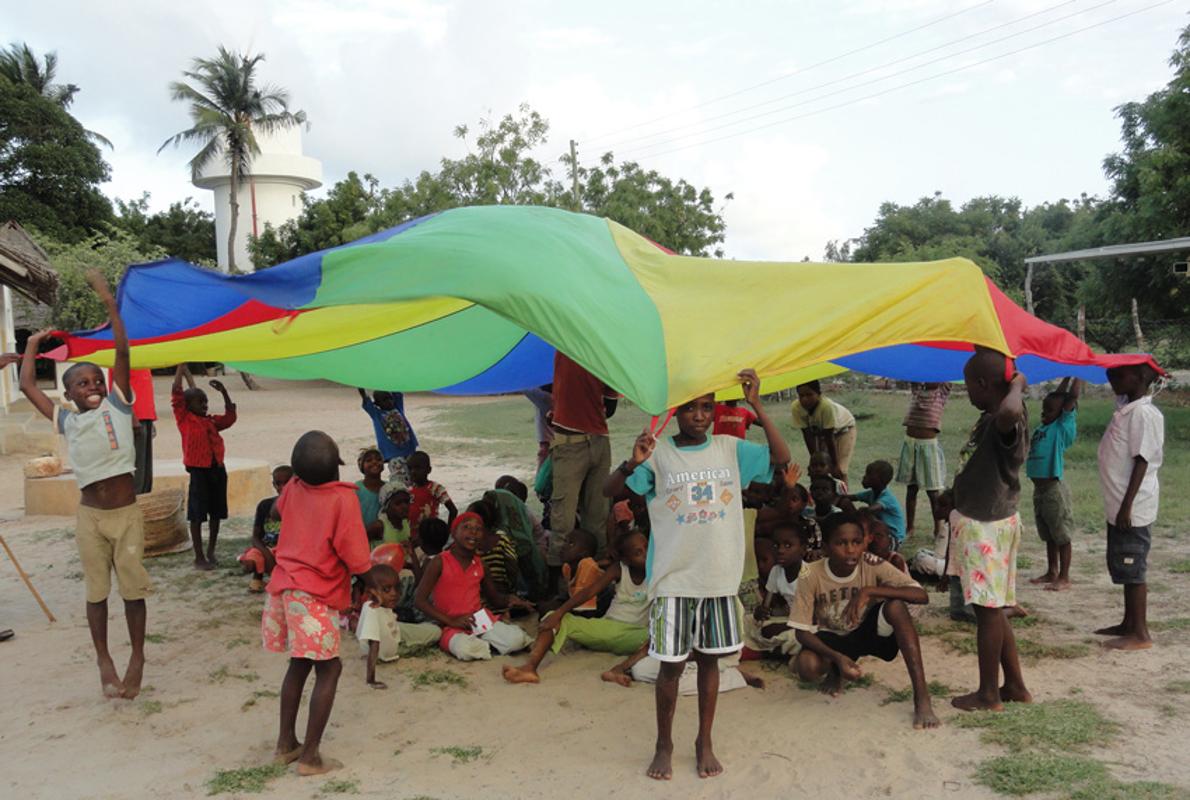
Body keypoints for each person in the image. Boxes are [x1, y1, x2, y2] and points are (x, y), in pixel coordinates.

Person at [604, 368, 790, 781]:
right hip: (674, 578)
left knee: (709, 663)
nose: (700, 415)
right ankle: (663, 742)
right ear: (675, 413)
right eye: (690, 408)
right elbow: (610, 490)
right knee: (670, 667)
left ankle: (704, 740)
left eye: (707, 407)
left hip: (717, 579)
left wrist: (756, 404)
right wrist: (631, 460)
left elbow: (782, 459)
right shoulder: (658, 454)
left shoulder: (729, 448)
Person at [19, 272, 151, 700]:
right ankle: (103, 658)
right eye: (82, 383)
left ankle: (137, 656)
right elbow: (25, 385)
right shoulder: (66, 420)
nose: (92, 386)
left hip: (126, 517)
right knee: (97, 594)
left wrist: (109, 305)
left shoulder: (118, 404)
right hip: (90, 519)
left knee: (133, 591)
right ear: (68, 394)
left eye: (96, 379)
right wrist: (32, 348)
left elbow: (124, 349)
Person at [263, 430, 377, 776]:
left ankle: (286, 744)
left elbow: (275, 510)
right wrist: (373, 583)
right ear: (338, 468)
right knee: (330, 668)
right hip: (314, 597)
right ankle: (310, 756)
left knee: (299, 663)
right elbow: (356, 555)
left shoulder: (292, 489)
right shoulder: (343, 500)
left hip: (284, 591)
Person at [792, 514, 939, 729]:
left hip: (867, 632)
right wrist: (837, 658)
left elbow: (921, 596)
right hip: (833, 639)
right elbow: (801, 632)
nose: (851, 550)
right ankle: (835, 669)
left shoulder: (871, 563)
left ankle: (922, 696)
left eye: (856, 542)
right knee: (806, 667)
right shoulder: (810, 573)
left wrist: (870, 590)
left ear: (864, 543)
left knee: (896, 606)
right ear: (825, 548)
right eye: (841, 543)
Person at [947, 348, 1031, 713]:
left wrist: (1019, 384)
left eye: (969, 385)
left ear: (983, 384)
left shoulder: (1007, 416)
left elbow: (1010, 410)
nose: (966, 392)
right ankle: (1013, 685)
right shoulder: (990, 416)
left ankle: (988, 694)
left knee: (986, 610)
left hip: (986, 527)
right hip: (986, 519)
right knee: (993, 607)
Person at [503, 530, 651, 684]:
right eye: (638, 552)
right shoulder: (619, 569)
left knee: (659, 638)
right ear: (625, 560)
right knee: (553, 617)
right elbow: (589, 592)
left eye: (647, 547)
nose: (646, 554)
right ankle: (530, 667)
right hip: (608, 629)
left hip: (636, 637)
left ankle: (618, 670)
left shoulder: (659, 571)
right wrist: (559, 613)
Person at [1096, 363, 1164, 651]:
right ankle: (1128, 622)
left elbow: (1142, 460)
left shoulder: (1144, 414)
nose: (1111, 378)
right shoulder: (1127, 407)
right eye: (1110, 373)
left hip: (1132, 508)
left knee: (1133, 568)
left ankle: (1140, 633)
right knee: (1124, 564)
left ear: (1139, 377)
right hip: (1120, 505)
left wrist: (1127, 506)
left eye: (1118, 374)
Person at [414, 512, 534, 661]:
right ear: (454, 532)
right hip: (448, 624)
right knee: (466, 650)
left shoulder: (481, 564)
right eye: (467, 527)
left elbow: (494, 599)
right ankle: (488, 642)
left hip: (478, 620)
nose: (473, 532)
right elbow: (419, 600)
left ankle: (491, 639)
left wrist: (513, 600)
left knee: (517, 640)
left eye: (478, 529)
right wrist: (450, 621)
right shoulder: (439, 561)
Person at [548, 350, 619, 575]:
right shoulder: (604, 354)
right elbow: (610, 407)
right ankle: (586, 577)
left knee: (565, 516)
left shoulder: (566, 345)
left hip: (576, 441)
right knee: (592, 514)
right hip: (596, 439)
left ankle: (567, 580)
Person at [172, 364, 236, 570]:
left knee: (216, 513)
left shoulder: (210, 421)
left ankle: (211, 551)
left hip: (217, 470)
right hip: (199, 472)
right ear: (187, 405)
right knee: (197, 515)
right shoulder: (184, 419)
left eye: (206, 401)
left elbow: (230, 418)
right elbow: (177, 392)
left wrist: (225, 393)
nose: (205, 405)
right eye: (200, 402)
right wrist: (181, 367)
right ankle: (199, 556)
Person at [1026, 378, 1082, 591]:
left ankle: (1064, 577)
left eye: (1049, 411)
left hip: (1053, 490)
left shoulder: (1061, 428)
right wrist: (1065, 376)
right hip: (1039, 491)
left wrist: (1077, 370)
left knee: (1061, 535)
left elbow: (1071, 397)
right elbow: (1057, 399)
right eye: (1044, 409)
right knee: (1049, 533)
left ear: (1062, 414)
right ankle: (1052, 571)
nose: (1044, 413)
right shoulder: (1044, 426)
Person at [356, 564, 440, 688]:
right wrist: (371, 680)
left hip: (393, 633)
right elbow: (374, 643)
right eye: (386, 589)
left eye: (397, 588)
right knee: (436, 632)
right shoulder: (372, 610)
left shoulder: (380, 605)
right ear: (371, 591)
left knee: (434, 630)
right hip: (389, 650)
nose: (394, 594)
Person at [744, 521, 809, 661]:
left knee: (781, 634)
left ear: (803, 549)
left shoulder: (810, 575)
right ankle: (776, 651)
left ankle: (768, 652)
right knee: (747, 621)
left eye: (788, 545)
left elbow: (815, 617)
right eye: (776, 545)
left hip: (811, 624)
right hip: (790, 619)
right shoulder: (776, 571)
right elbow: (766, 607)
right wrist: (760, 613)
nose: (780, 550)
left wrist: (783, 625)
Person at [897, 382, 951, 538]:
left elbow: (946, 377)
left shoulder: (941, 392)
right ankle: (910, 527)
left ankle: (938, 528)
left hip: (928, 447)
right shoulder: (917, 390)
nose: (928, 379)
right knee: (911, 489)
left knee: (933, 492)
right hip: (911, 444)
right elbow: (913, 375)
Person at [239, 465, 295, 593]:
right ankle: (257, 578)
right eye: (278, 484)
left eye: (286, 483)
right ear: (273, 484)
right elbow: (255, 536)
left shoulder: (299, 507)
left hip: (287, 550)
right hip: (266, 548)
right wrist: (267, 555)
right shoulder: (265, 505)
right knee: (250, 561)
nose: (282, 487)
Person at [791, 380, 856, 482]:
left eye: (809, 395)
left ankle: (843, 495)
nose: (805, 399)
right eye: (801, 396)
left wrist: (835, 464)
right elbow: (807, 435)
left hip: (844, 429)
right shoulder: (796, 407)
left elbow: (829, 437)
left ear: (819, 394)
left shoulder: (826, 406)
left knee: (839, 470)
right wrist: (814, 461)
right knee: (819, 469)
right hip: (820, 432)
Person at [109, 368, 157, 494]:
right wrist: (131, 415)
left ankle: (144, 500)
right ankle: (134, 501)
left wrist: (151, 417)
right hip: (132, 418)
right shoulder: (123, 355)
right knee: (136, 468)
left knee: (145, 470)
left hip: (145, 415)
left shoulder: (141, 355)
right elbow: (118, 387)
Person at [358, 388, 418, 483]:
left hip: (409, 451)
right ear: (377, 404)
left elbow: (396, 390)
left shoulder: (398, 407)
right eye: (384, 400)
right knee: (399, 478)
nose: (389, 401)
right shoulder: (376, 414)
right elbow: (366, 401)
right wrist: (361, 390)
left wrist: (389, 378)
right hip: (393, 454)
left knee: (415, 475)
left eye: (390, 398)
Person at [844, 460, 907, 549]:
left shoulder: (887, 497)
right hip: (881, 533)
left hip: (893, 538)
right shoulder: (871, 493)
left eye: (869, 474)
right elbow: (850, 497)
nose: (865, 477)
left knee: (866, 516)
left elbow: (872, 509)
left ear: (881, 479)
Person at [406, 451, 457, 529]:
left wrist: (449, 531)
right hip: (410, 534)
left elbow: (453, 510)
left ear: (428, 470)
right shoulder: (407, 489)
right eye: (410, 468)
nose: (413, 472)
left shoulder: (435, 488)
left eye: (417, 468)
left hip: (429, 533)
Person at [354, 447, 385, 539]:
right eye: (369, 460)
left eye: (378, 459)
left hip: (385, 538)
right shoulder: (356, 489)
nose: (374, 462)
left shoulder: (389, 488)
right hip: (362, 537)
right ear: (361, 466)